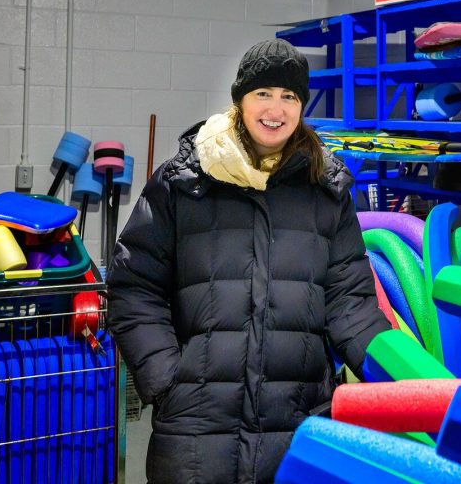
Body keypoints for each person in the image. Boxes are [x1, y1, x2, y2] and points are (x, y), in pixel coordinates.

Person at [107, 38, 392, 483]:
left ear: (301, 107)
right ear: (240, 100)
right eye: (263, 93)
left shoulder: (325, 189)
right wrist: (168, 383)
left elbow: (351, 305)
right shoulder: (183, 182)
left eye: (289, 96)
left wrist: (402, 375)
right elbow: (133, 286)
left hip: (299, 421)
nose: (275, 108)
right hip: (196, 429)